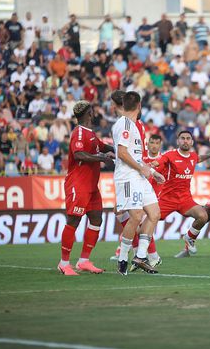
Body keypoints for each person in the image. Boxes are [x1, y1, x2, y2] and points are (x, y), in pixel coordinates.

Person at [57, 100, 114, 275]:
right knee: (74, 220)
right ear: (89, 113)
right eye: (93, 111)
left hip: (91, 185)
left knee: (97, 220)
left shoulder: (90, 133)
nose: (95, 113)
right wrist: (102, 158)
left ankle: (84, 261)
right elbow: (79, 154)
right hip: (78, 183)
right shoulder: (79, 133)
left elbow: (103, 146)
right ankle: (64, 263)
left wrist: (121, 150)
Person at [113, 91, 165, 275]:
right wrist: (142, 169)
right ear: (139, 106)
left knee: (154, 213)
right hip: (127, 176)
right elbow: (123, 152)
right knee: (136, 216)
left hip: (138, 175)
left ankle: (141, 256)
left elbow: (134, 155)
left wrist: (152, 171)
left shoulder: (134, 125)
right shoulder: (125, 123)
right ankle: (122, 259)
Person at [153, 131, 210, 250]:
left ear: (192, 142)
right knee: (147, 222)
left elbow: (198, 158)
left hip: (185, 200)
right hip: (167, 199)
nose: (185, 141)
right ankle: (133, 249)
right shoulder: (170, 155)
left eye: (188, 138)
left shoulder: (193, 156)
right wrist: (153, 164)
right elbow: (159, 162)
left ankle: (189, 237)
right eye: (183, 138)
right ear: (178, 141)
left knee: (203, 216)